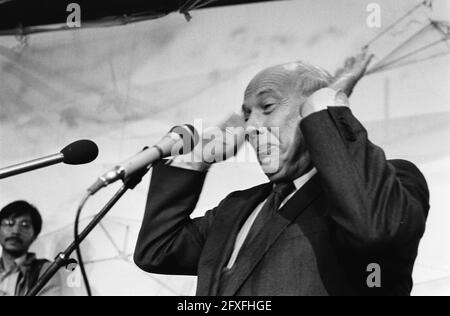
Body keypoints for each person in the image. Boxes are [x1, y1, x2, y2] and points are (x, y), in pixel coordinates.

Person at [134, 51, 430, 296]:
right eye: (247, 115)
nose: (249, 128)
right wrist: (196, 160)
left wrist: (326, 106)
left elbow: (373, 230)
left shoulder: (393, 180)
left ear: (311, 114)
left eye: (268, 106)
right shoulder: (236, 209)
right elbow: (156, 251)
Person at [0, 200, 62, 296]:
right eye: (9, 223)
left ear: (34, 236)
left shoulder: (45, 271)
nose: (15, 231)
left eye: (24, 225)